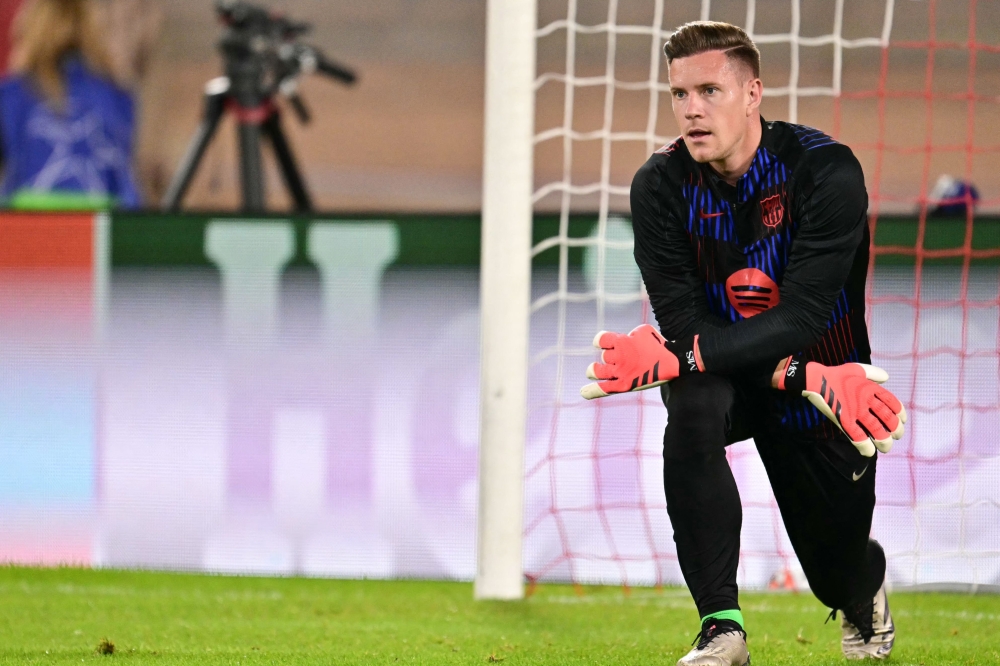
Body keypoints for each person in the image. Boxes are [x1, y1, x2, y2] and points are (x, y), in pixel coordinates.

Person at [580, 22, 907, 665]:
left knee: (836, 572)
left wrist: (799, 377)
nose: (692, 109)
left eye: (709, 89)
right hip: (795, 382)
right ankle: (721, 628)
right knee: (693, 401)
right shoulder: (659, 188)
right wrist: (793, 375)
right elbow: (685, 325)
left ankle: (861, 588)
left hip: (828, 398)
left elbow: (804, 316)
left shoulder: (825, 172)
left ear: (753, 92)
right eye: (679, 94)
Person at [0, 0, 141, 209]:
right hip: (101, 222)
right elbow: (123, 173)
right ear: (94, 29)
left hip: (27, 222)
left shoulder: (12, 94)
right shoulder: (117, 93)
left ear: (31, 26)